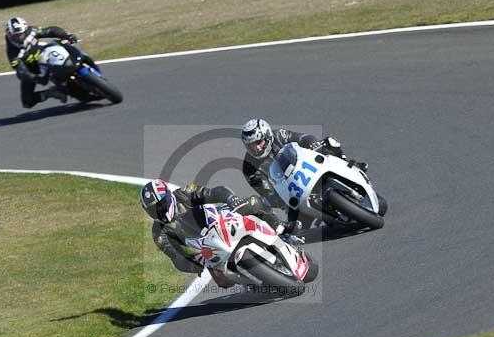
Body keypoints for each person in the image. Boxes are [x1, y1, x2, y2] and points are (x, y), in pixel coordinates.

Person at [140, 179, 298, 287]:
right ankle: (255, 284)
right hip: (206, 251)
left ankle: (280, 227)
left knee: (253, 203)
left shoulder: (184, 193)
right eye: (152, 210)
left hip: (219, 221)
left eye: (160, 205)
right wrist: (195, 265)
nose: (158, 211)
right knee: (223, 282)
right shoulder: (159, 233)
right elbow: (176, 258)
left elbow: (215, 192)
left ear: (169, 196)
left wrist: (231, 199)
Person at [240, 118, 368, 221]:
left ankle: (350, 166)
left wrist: (314, 145)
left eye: (259, 142)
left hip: (305, 168)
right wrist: (276, 198)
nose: (257, 149)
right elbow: (266, 192)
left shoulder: (279, 135)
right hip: (288, 191)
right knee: (295, 227)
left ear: (267, 136)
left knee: (330, 143)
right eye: (251, 145)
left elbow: (304, 138)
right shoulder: (249, 167)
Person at [5, 16, 77, 108]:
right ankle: (51, 93)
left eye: (20, 34)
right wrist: (32, 77)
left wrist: (66, 35)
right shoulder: (12, 52)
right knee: (27, 102)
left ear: (25, 30)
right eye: (14, 35)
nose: (18, 38)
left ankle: (80, 63)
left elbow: (50, 31)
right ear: (9, 34)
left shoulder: (32, 31)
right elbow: (20, 70)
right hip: (31, 68)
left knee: (64, 46)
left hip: (43, 55)